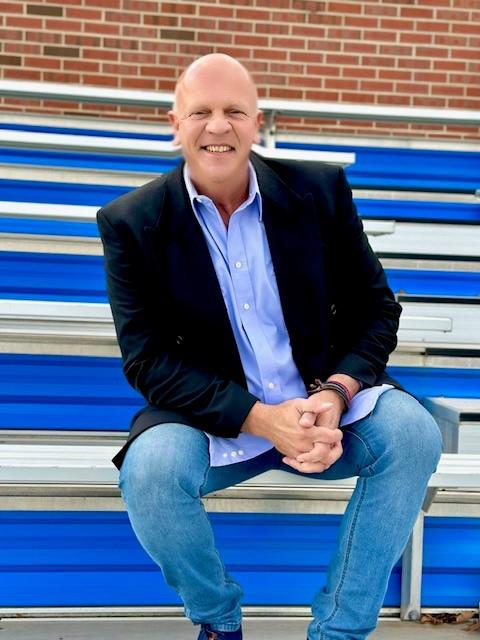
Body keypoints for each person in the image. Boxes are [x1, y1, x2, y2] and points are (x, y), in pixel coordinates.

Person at [97, 54, 442, 640]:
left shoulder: (319, 190)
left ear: (257, 121)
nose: (218, 126)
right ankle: (219, 620)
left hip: (324, 406)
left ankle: (338, 630)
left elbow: (377, 309)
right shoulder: (131, 222)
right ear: (174, 123)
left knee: (414, 432)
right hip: (217, 416)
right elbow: (147, 359)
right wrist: (260, 419)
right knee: (151, 472)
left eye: (235, 111)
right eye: (200, 112)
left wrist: (336, 390)